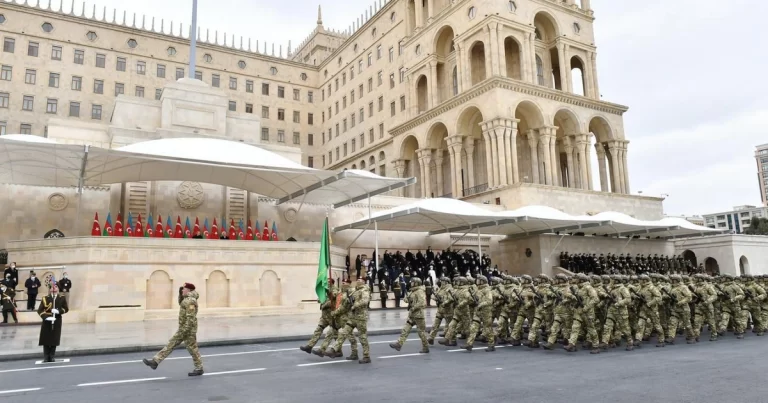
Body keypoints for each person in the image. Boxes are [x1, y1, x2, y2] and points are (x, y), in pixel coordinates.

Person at [142, 283, 204, 376]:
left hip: (187, 330)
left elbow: (190, 317)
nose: (182, 290)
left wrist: (184, 330)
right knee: (184, 347)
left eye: (184, 289)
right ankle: (155, 361)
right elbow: (181, 304)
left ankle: (156, 361)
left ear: (188, 290)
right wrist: (180, 294)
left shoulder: (191, 301)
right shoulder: (187, 299)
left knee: (184, 347)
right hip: (184, 328)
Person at [389, 277, 429, 353]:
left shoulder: (420, 291)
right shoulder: (412, 291)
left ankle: (425, 347)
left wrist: (414, 307)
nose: (411, 283)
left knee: (421, 332)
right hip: (412, 315)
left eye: (413, 282)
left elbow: (422, 303)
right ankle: (399, 344)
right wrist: (406, 299)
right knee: (405, 329)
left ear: (416, 283)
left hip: (419, 316)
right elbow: (407, 299)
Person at [37, 282, 68, 362]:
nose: (54, 288)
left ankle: (52, 356)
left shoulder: (62, 298)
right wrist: (46, 317)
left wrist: (58, 311)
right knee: (46, 338)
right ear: (50, 289)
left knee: (54, 338)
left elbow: (66, 309)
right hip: (47, 320)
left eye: (56, 286)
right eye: (52, 287)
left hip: (57, 320)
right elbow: (40, 310)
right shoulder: (45, 298)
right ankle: (46, 356)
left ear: (58, 288)